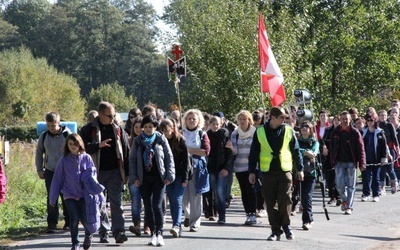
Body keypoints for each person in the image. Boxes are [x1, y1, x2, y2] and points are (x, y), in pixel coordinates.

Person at [248, 107, 304, 241]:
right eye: (281, 117)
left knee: (285, 200)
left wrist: (300, 169)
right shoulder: (260, 131)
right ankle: (275, 230)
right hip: (267, 172)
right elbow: (253, 153)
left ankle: (286, 227)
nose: (284, 120)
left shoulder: (288, 130)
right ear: (273, 118)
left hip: (284, 171)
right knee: (270, 202)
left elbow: (296, 151)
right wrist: (252, 172)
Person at [80, 101, 130, 244]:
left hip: (115, 172)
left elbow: (126, 151)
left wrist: (126, 173)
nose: (113, 118)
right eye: (110, 116)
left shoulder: (118, 129)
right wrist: (98, 146)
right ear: (101, 115)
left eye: (114, 115)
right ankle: (103, 232)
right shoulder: (88, 130)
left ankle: (119, 232)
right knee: (100, 204)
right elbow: (81, 149)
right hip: (96, 173)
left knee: (117, 204)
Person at [50, 133, 104, 250]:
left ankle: (88, 235)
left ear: (80, 144)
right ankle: (75, 243)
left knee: (85, 219)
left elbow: (93, 177)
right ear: (67, 145)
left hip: (84, 195)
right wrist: (53, 197)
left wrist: (98, 193)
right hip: (69, 194)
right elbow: (57, 179)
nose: (73, 146)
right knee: (73, 219)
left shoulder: (87, 158)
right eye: (70, 144)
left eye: (75, 144)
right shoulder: (64, 160)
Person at [129, 115, 175, 246]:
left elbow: (169, 158)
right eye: (146, 127)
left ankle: (160, 233)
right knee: (148, 206)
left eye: (151, 127)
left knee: (157, 205)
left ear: (155, 127)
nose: (148, 129)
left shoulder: (161, 140)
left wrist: (169, 175)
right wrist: (134, 178)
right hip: (143, 178)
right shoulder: (138, 141)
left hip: (159, 178)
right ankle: (153, 233)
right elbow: (132, 161)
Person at [35, 111, 72, 233]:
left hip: (66, 171)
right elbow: (39, 153)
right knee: (52, 197)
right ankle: (52, 223)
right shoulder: (44, 136)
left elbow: (74, 152)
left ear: (59, 123)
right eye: (49, 125)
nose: (51, 128)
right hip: (50, 171)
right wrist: (39, 169)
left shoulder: (68, 135)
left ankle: (69, 221)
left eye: (54, 125)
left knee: (67, 196)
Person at [330, 111, 366, 215]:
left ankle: (349, 207)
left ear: (350, 120)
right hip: (339, 162)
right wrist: (332, 160)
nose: (345, 121)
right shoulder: (335, 132)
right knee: (339, 185)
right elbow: (332, 147)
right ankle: (344, 199)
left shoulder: (355, 132)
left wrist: (362, 163)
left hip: (352, 162)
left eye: (347, 119)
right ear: (340, 120)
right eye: (343, 119)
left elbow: (361, 148)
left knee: (351, 186)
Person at [159, 118, 190, 237]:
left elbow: (186, 161)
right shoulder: (160, 140)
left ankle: (176, 225)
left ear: (172, 129)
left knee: (177, 199)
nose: (165, 134)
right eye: (163, 131)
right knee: (171, 200)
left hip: (179, 175)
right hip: (166, 175)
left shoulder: (180, 140)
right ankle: (176, 224)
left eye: (167, 131)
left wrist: (185, 178)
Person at [182, 109, 210, 233]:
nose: (192, 121)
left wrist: (188, 150)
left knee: (195, 195)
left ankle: (195, 222)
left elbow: (205, 151)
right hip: (182, 168)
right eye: (189, 118)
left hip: (197, 167)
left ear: (199, 120)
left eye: (194, 118)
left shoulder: (202, 134)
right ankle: (188, 216)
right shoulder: (181, 133)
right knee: (183, 196)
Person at [231, 110, 257, 225]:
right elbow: (234, 151)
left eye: (244, 119)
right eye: (240, 119)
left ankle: (253, 214)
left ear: (249, 120)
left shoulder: (255, 132)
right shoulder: (235, 134)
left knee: (251, 190)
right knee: (244, 191)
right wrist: (231, 148)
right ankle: (247, 214)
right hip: (239, 166)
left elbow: (257, 149)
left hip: (251, 167)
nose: (242, 121)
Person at [206, 116, 233, 224]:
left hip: (222, 168)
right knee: (215, 193)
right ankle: (217, 213)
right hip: (211, 168)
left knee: (221, 192)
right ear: (209, 124)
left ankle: (222, 215)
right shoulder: (206, 135)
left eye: (217, 124)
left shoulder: (225, 135)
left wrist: (227, 168)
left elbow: (229, 153)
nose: (215, 126)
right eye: (213, 124)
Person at [297, 121, 319, 230]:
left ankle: (307, 220)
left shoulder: (314, 142)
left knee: (307, 196)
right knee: (300, 197)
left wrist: (302, 152)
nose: (304, 128)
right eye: (302, 126)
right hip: (298, 171)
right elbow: (294, 151)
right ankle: (309, 216)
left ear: (310, 129)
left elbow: (314, 153)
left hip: (311, 173)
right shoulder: (296, 141)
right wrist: (306, 152)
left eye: (307, 126)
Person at [360, 114, 388, 202]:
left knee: (376, 177)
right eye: (367, 121)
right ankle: (366, 194)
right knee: (365, 177)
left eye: (371, 121)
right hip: (366, 158)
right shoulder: (363, 131)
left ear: (375, 121)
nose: (369, 123)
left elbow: (384, 146)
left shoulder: (380, 132)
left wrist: (384, 158)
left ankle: (376, 194)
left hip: (376, 158)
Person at [212, 111, 237, 208]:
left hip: (230, 158)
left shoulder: (231, 128)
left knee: (228, 181)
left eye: (219, 120)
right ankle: (219, 202)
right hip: (216, 162)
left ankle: (226, 198)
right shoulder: (211, 132)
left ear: (223, 120)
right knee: (217, 186)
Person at [127, 116, 146, 236]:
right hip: (133, 176)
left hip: (146, 176)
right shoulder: (129, 141)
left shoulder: (148, 140)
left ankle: (148, 225)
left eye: (141, 127)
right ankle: (137, 225)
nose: (138, 130)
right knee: (135, 201)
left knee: (148, 201)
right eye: (136, 127)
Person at [377, 109, 399, 194]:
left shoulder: (389, 125)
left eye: (385, 115)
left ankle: (394, 183)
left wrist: (397, 149)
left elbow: (394, 138)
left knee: (390, 168)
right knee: (381, 169)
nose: (383, 117)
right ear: (379, 116)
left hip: (390, 148)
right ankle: (382, 187)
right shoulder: (377, 125)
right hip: (380, 149)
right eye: (381, 115)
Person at [321, 115, 341, 205]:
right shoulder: (328, 130)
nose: (336, 122)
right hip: (329, 157)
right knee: (330, 178)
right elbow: (323, 141)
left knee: (339, 177)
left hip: (339, 156)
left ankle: (339, 196)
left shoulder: (342, 131)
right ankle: (332, 196)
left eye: (338, 120)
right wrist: (324, 147)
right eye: (335, 120)